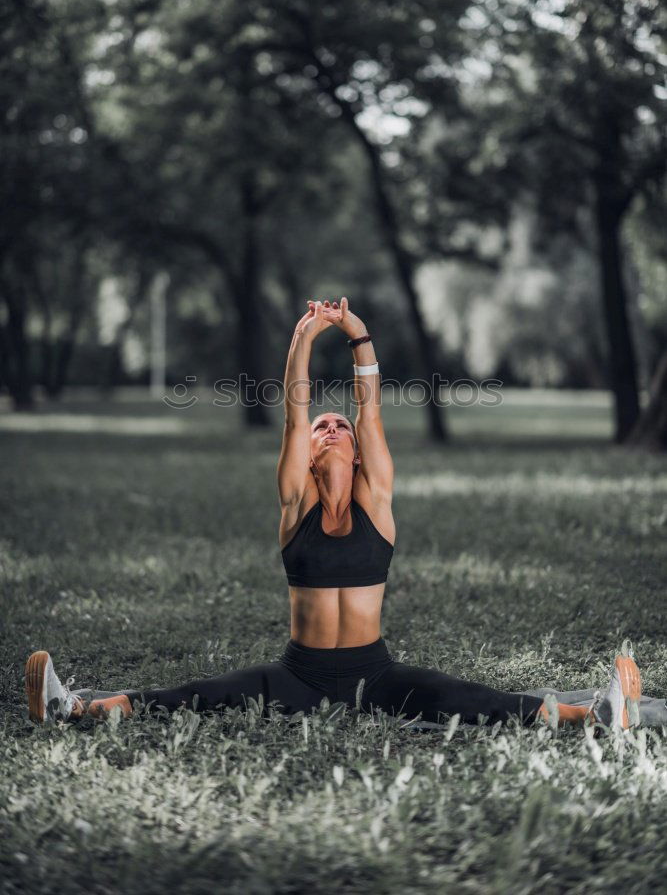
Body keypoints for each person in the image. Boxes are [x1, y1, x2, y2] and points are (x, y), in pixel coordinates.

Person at [25, 298, 642, 733]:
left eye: (337, 424)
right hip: (301, 673)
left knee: (470, 698)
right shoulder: (296, 504)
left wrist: (357, 332)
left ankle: (598, 714)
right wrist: (304, 337)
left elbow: (370, 410)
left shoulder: (377, 501)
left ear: (352, 444)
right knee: (198, 696)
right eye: (322, 425)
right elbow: (295, 413)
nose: (328, 426)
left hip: (377, 670)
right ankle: (73, 708)